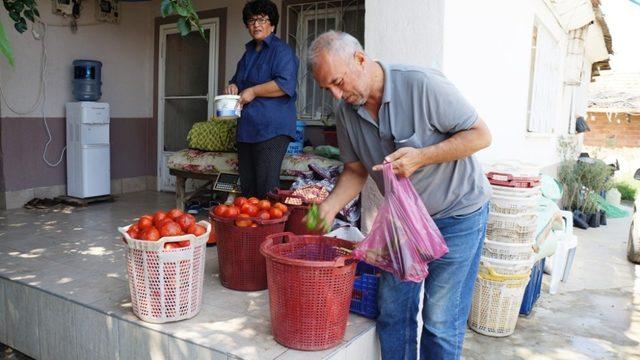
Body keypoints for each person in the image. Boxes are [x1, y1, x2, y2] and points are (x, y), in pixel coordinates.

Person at [308, 30, 492, 360]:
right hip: (401, 223)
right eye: (327, 89)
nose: (336, 95)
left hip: (457, 214)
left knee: (440, 321)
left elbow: (480, 135)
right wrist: (329, 206)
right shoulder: (346, 113)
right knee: (393, 314)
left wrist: (423, 156)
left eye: (338, 82)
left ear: (360, 60)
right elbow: (355, 170)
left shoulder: (422, 84)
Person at [225, 0, 299, 198]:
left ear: (272, 24)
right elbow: (237, 80)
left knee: (266, 188)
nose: (256, 24)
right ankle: (251, 228)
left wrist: (254, 91)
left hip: (272, 129)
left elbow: (285, 85)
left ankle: (269, 228)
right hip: (247, 129)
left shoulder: (281, 51)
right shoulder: (248, 53)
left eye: (261, 19)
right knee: (248, 187)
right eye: (251, 20)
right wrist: (233, 86)